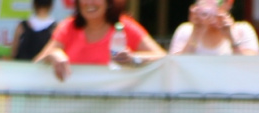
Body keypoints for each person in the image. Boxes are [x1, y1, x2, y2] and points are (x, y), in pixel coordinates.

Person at [37, 0, 165, 82]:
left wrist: (134, 59)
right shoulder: (67, 27)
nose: (89, 2)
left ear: (109, 2)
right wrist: (52, 55)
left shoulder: (125, 26)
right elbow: (33, 66)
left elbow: (164, 58)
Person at [168, 0, 259, 56]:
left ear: (229, 3)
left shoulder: (243, 30)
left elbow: (252, 68)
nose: (211, 7)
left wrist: (232, 39)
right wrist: (196, 33)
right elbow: (176, 70)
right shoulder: (186, 31)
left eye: (216, 2)